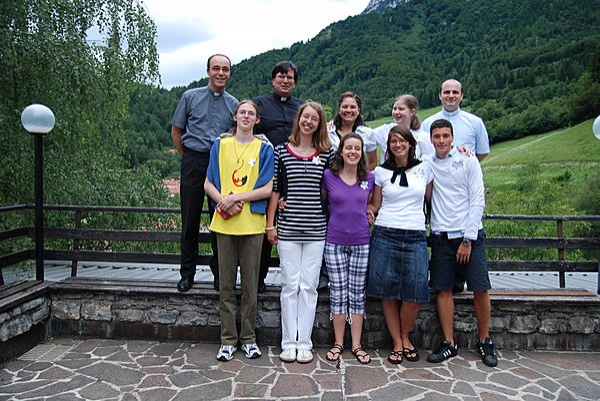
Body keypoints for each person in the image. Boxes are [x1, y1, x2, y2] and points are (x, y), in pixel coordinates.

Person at [204, 100, 274, 362]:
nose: (246, 116)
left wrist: (236, 198)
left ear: (257, 120)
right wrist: (224, 201)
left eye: (251, 113)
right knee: (226, 285)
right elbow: (208, 183)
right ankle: (227, 340)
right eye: (242, 112)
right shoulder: (220, 145)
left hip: (252, 224)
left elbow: (267, 188)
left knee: (249, 286)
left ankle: (248, 338)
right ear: (235, 117)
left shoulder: (264, 148)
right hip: (224, 223)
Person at [425, 118, 498, 368]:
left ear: (453, 138)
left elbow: (477, 200)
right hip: (441, 236)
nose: (441, 141)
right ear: (431, 139)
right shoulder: (427, 163)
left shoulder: (468, 160)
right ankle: (449, 342)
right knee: (443, 290)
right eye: (437, 136)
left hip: (469, 236)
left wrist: (468, 238)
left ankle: (485, 339)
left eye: (445, 136)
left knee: (480, 288)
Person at [266, 102, 333, 364]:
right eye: (305, 117)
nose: (308, 122)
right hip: (288, 229)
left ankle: (304, 342)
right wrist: (270, 224)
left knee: (309, 287)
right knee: (289, 286)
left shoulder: (327, 153)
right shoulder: (282, 151)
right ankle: (288, 342)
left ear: (320, 124)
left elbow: (331, 191)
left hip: (317, 229)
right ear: (299, 119)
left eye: (314, 119)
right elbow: (275, 190)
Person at [171, 54, 239, 293]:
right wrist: (188, 157)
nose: (221, 73)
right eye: (216, 68)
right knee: (189, 219)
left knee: (219, 219)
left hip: (220, 165)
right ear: (208, 71)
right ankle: (187, 274)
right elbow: (176, 131)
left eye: (225, 69)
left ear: (229, 73)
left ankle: (219, 274)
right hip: (193, 160)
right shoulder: (190, 97)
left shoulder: (233, 104)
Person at [366, 125, 433, 365]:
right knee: (388, 290)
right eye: (393, 141)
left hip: (415, 234)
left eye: (402, 141)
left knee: (415, 289)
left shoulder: (425, 168)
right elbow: (375, 204)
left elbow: (431, 200)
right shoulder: (380, 172)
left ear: (410, 144)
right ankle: (397, 341)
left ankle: (406, 335)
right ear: (389, 146)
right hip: (385, 233)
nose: (398, 145)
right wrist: (367, 211)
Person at [421, 79, 491, 292]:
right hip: (438, 200)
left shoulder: (474, 122)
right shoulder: (427, 123)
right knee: (444, 282)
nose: (450, 95)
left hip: (465, 192)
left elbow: (482, 152)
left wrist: (463, 161)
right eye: (446, 92)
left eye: (455, 92)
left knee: (477, 283)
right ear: (439, 95)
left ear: (462, 95)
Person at [322, 133, 375, 365]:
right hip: (334, 241)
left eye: (357, 149)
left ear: (361, 153)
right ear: (341, 151)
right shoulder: (329, 176)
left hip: (361, 242)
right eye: (349, 148)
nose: (353, 152)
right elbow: (325, 203)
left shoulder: (369, 178)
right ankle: (338, 343)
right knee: (337, 293)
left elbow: (371, 203)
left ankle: (356, 344)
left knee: (357, 294)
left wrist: (371, 212)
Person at [253, 61, 304, 292]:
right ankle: (258, 277)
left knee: (295, 222)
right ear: (273, 80)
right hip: (265, 171)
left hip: (294, 172)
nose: (285, 80)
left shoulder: (301, 107)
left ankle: (295, 279)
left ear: (295, 82)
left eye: (290, 77)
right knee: (264, 223)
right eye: (281, 76)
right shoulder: (259, 104)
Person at [371, 94, 434, 163]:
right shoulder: (385, 130)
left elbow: (430, 162)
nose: (396, 112)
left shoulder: (423, 137)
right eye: (394, 109)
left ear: (412, 112)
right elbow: (367, 137)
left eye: (401, 109)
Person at [328, 92, 378, 171]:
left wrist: (362, 176)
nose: (348, 110)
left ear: (358, 110)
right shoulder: (328, 132)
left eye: (353, 107)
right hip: (331, 177)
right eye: (345, 107)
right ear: (339, 110)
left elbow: (372, 162)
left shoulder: (367, 133)